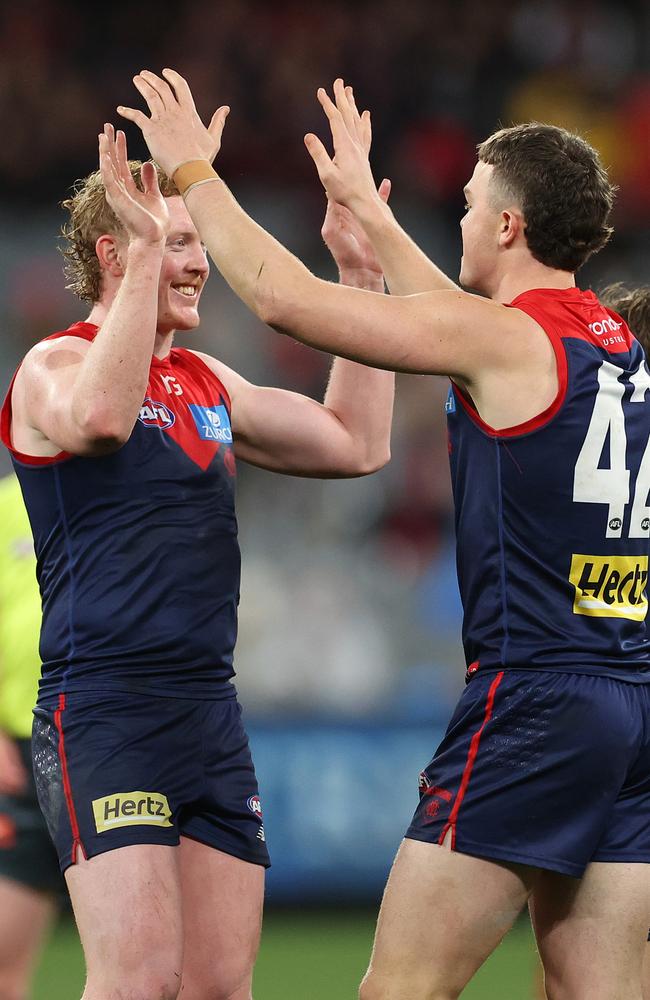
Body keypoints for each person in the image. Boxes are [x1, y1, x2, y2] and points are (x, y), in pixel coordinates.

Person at [119, 69, 650, 1000]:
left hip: (536, 698)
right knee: (591, 988)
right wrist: (369, 210)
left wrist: (194, 171)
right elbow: (458, 328)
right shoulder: (610, 345)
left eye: (472, 204)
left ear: (508, 228)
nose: (462, 217)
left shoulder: (507, 341)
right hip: (631, 696)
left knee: (399, 989)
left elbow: (284, 300)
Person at [0, 116, 394, 998]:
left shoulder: (210, 382)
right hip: (102, 710)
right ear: (115, 249)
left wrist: (362, 276)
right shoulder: (51, 367)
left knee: (219, 986)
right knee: (140, 980)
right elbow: (101, 421)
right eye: (175, 241)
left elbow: (356, 441)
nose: (199, 260)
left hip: (208, 714)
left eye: (193, 243)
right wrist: (147, 259)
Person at [0, 471, 72, 1000]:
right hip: (18, 750)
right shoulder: (6, 506)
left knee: (155, 963)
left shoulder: (136, 489)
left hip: (116, 744)